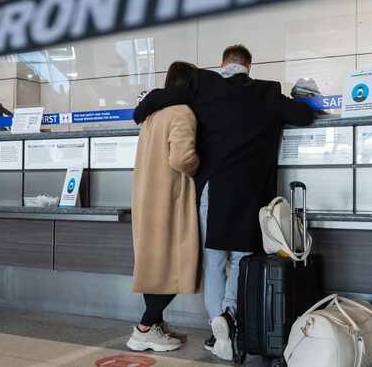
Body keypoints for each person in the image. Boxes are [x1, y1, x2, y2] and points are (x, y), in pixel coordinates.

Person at [133, 44, 314, 361]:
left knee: (213, 260)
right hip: (250, 191)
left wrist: (139, 111)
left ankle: (217, 328)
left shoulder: (204, 84)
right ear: (249, 65)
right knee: (243, 258)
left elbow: (163, 97)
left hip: (212, 189)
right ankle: (229, 320)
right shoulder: (268, 92)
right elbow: (304, 116)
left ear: (223, 64)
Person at [126, 61, 201, 353]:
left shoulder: (152, 112)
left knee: (153, 265)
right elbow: (181, 159)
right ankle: (144, 327)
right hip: (170, 198)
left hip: (147, 196)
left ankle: (154, 325)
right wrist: (199, 167)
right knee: (175, 263)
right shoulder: (182, 113)